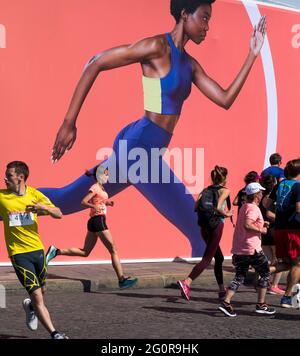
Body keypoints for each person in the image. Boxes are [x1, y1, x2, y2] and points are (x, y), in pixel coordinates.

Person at [40, 0, 266, 257]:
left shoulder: (190, 65)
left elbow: (225, 99)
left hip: (140, 146)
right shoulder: (156, 47)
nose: (207, 27)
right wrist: (69, 122)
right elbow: (95, 62)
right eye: (203, 18)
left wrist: (252, 54)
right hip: (140, 148)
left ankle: (9, 202)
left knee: (65, 200)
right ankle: (190, 288)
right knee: (200, 232)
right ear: (184, 15)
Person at [0, 161, 68, 339]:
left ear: (21, 177)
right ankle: (55, 334)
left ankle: (30, 307)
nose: (5, 179)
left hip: (37, 250)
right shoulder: (1, 196)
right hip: (18, 254)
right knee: (37, 295)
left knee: (41, 291)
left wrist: (42, 208)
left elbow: (59, 213)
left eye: (9, 176)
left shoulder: (34, 194)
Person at [45, 166, 138, 289]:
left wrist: (107, 202)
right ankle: (121, 280)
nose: (107, 177)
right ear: (100, 175)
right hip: (98, 221)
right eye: (105, 175)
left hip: (94, 221)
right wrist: (93, 207)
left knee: (85, 252)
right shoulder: (94, 188)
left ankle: (56, 251)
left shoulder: (101, 188)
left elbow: (99, 200)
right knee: (113, 250)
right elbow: (83, 202)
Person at [218, 182, 276, 317]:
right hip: (252, 248)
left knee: (239, 276)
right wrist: (262, 229)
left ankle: (226, 302)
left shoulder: (244, 206)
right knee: (266, 272)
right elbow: (247, 224)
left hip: (240, 248)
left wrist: (262, 223)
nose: (262, 194)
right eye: (261, 192)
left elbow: (248, 223)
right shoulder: (254, 208)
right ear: (256, 195)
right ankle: (261, 304)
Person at [177, 166, 233, 301]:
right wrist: (227, 214)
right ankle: (187, 282)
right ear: (224, 178)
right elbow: (219, 207)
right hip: (216, 226)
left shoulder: (205, 190)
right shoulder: (225, 190)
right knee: (207, 259)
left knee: (218, 258)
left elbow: (196, 207)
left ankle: (221, 290)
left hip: (204, 227)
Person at [267, 159, 300, 308]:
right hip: (293, 229)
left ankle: (263, 271)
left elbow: (266, 204)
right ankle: (287, 297)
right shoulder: (298, 186)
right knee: (297, 264)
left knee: (287, 263)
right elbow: (299, 209)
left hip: (279, 228)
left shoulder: (279, 185)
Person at [259, 174, 285, 295]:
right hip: (272, 230)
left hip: (264, 231)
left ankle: (266, 282)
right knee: (278, 261)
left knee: (270, 260)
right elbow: (270, 214)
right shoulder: (271, 198)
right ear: (274, 183)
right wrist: (282, 219)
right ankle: (273, 285)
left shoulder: (261, 196)